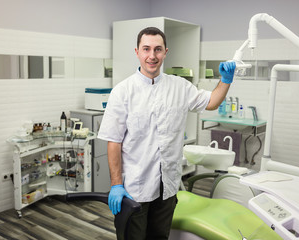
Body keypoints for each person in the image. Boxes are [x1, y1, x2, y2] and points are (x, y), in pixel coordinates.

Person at [97, 26, 235, 240]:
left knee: (160, 237)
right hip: (136, 187)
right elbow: (114, 142)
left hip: (167, 186)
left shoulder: (180, 87)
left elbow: (211, 102)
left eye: (158, 49)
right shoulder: (122, 92)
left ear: (165, 52)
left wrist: (225, 81)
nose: (152, 56)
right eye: (146, 49)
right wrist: (116, 184)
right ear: (137, 52)